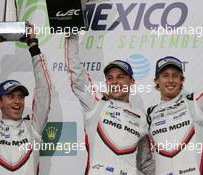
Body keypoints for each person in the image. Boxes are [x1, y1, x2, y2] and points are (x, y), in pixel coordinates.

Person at [144, 3, 203, 175]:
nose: (170, 80)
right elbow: (144, 160)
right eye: (165, 75)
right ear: (157, 81)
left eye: (175, 75)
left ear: (182, 80)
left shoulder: (195, 103)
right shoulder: (149, 114)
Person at [65, 35, 154, 175]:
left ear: (131, 82)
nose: (115, 82)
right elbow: (77, 77)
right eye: (110, 78)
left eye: (120, 77)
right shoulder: (96, 104)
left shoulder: (142, 117)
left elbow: (146, 163)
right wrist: (71, 37)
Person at [0, 24, 51, 175]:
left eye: (21, 97)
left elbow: (44, 92)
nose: (17, 101)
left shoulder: (33, 128)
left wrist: (34, 47)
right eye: (11, 96)